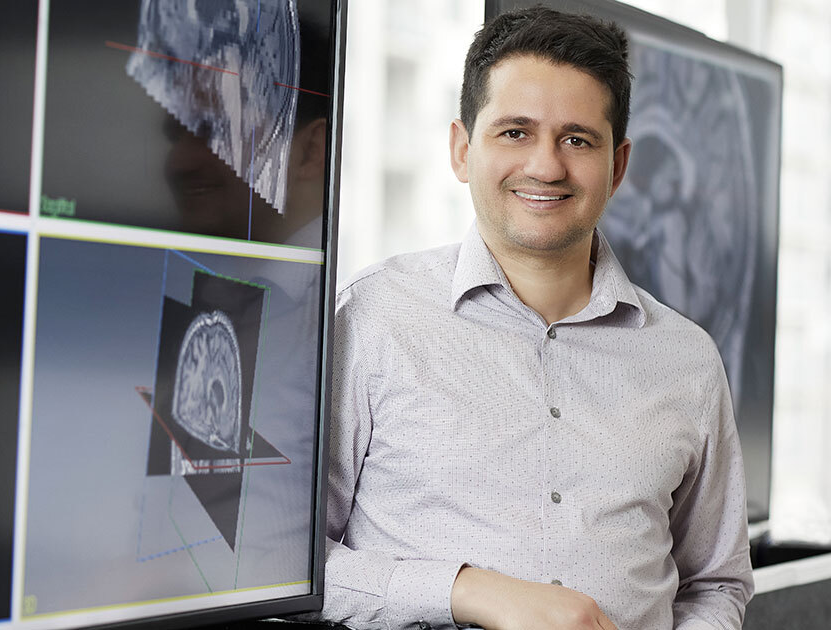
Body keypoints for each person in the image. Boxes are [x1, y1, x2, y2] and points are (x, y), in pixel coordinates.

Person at [314, 6, 753, 630]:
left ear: (617, 166)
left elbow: (715, 584)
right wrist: (468, 590)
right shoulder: (372, 318)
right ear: (462, 149)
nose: (546, 166)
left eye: (577, 139)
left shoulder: (688, 360)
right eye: (515, 132)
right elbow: (288, 566)